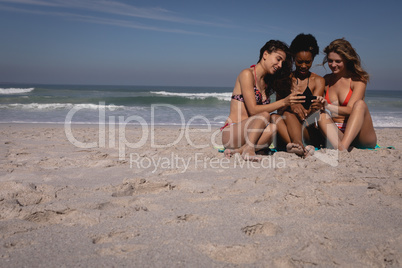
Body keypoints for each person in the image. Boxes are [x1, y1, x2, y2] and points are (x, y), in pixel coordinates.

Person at [221, 40, 305, 161]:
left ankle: (241, 150)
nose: (280, 65)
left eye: (282, 62)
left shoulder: (266, 84)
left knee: (273, 127)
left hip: (251, 134)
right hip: (233, 132)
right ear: (265, 55)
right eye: (278, 59)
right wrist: (284, 102)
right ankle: (249, 149)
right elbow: (254, 110)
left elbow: (276, 110)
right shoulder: (247, 74)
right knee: (264, 115)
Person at [318, 38, 377, 151]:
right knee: (320, 115)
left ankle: (342, 148)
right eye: (330, 60)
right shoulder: (326, 80)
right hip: (338, 133)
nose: (333, 65)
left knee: (360, 104)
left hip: (361, 136)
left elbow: (350, 109)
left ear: (347, 60)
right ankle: (342, 146)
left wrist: (328, 106)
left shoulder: (358, 80)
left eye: (338, 61)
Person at [274, 33, 325, 157]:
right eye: (299, 61)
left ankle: (297, 145)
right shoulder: (285, 79)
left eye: (308, 62)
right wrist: (291, 105)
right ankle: (299, 146)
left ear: (313, 60)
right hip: (287, 128)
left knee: (287, 113)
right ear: (293, 58)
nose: (303, 66)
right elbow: (279, 109)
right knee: (275, 117)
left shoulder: (318, 81)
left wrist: (315, 108)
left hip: (308, 129)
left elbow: (314, 118)